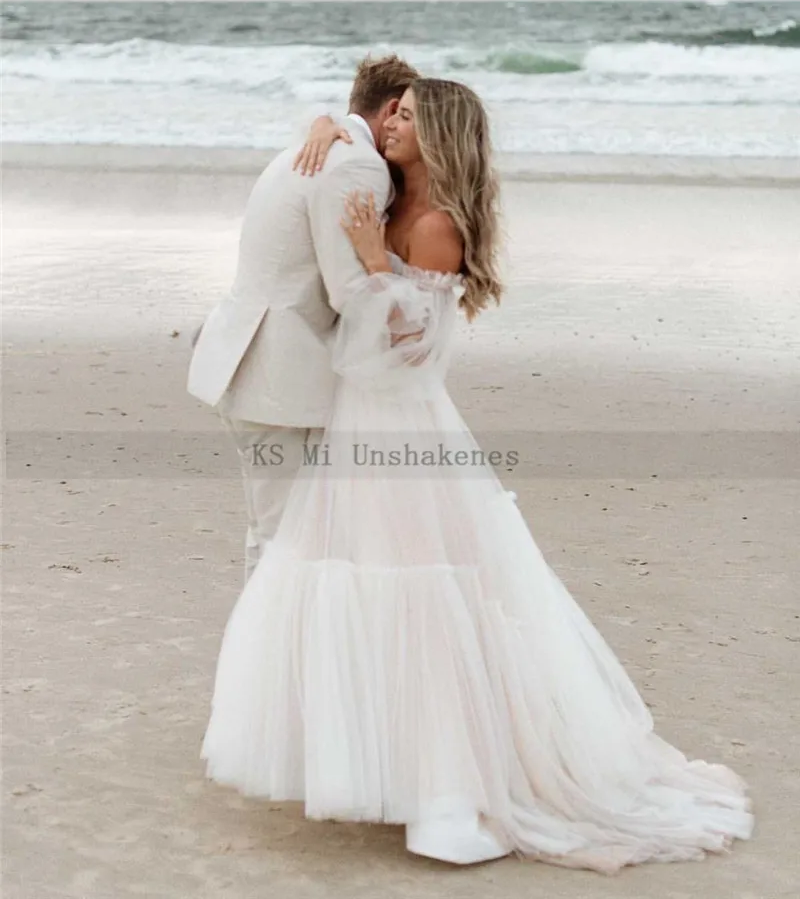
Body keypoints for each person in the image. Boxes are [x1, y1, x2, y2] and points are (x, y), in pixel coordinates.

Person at [201, 78, 753, 869]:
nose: (394, 124)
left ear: (441, 136)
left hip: (399, 423)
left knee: (421, 590)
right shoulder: (390, 197)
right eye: (394, 112)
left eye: (412, 118)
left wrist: (366, 262)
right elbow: (352, 148)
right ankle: (396, 768)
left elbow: (403, 352)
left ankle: (447, 792)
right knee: (362, 580)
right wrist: (327, 122)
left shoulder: (434, 226)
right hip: (364, 422)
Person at [187, 55, 419, 584]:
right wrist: (406, 319)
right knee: (283, 536)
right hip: (278, 375)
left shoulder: (308, 146)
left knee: (276, 530)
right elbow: (347, 289)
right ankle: (267, 664)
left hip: (255, 362)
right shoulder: (356, 163)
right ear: (389, 110)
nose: (410, 127)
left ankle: (274, 659)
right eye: (408, 114)